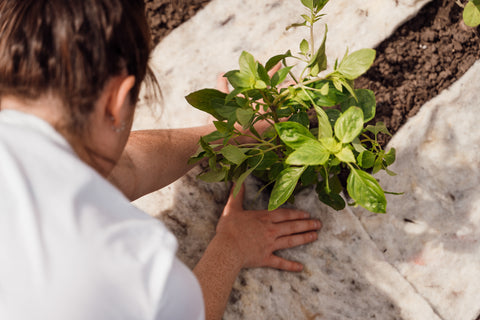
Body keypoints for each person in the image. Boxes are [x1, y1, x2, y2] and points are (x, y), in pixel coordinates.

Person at [0, 1, 322, 319]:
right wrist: (232, 246)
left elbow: (125, 167)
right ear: (116, 99)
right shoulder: (135, 269)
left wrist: (228, 132)